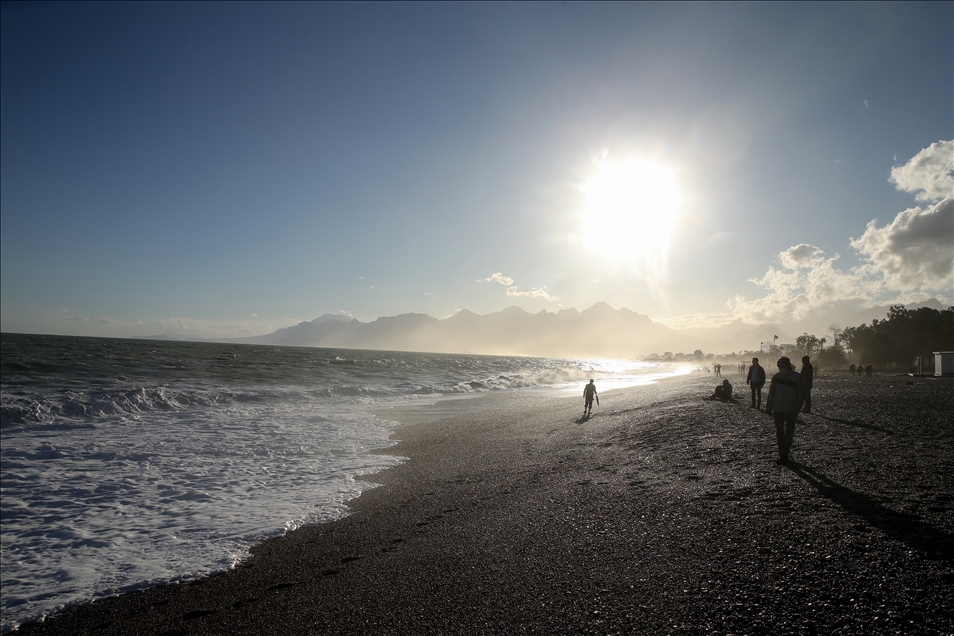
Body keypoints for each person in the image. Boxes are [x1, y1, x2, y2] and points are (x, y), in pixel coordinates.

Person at [766, 356, 804, 464]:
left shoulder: (797, 378)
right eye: (779, 366)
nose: (780, 368)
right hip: (778, 409)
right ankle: (782, 454)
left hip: (791, 410)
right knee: (779, 432)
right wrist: (769, 407)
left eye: (782, 366)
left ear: (787, 366)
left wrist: (796, 409)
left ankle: (786, 451)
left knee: (789, 432)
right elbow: (772, 393)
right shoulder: (776, 377)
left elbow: (801, 395)